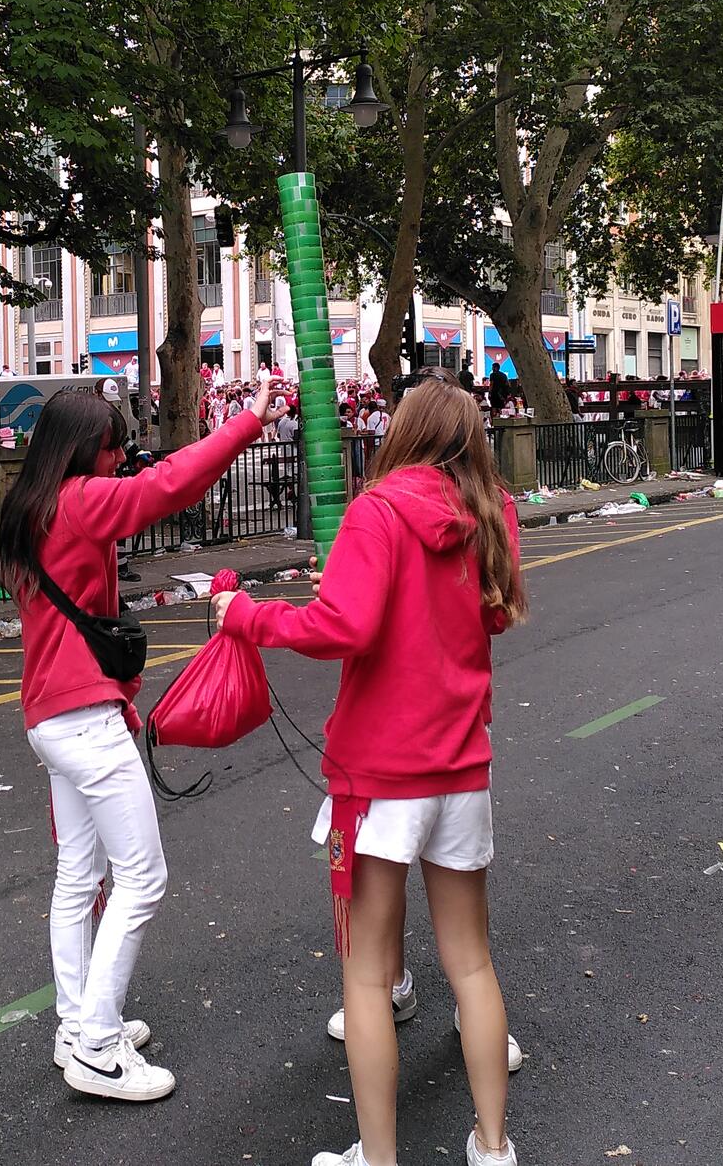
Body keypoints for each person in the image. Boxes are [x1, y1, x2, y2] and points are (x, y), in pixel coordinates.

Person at [214, 376, 526, 1166]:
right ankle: (493, 1147)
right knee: (474, 964)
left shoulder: (378, 510)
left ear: (403, 431)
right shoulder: (491, 513)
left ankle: (379, 1159)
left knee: (365, 979)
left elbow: (343, 624)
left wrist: (245, 615)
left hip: (379, 776)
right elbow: (491, 617)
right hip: (463, 764)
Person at [0, 368, 274, 1103]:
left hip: (50, 718)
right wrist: (246, 423)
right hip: (85, 720)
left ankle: (77, 1022)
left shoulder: (32, 505)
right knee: (141, 877)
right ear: (83, 451)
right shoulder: (81, 503)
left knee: (78, 879)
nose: (122, 460)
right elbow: (171, 487)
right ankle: (96, 1047)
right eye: (113, 448)